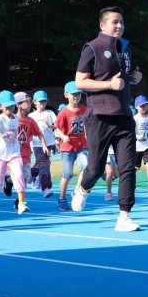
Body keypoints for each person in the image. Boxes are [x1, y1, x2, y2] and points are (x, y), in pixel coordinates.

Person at [71, 6, 143, 232]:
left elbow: (123, 78)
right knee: (95, 168)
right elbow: (81, 82)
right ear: (103, 25)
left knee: (128, 167)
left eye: (121, 21)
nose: (119, 25)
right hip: (99, 116)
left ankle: (124, 216)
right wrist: (108, 85)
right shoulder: (92, 47)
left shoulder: (126, 47)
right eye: (114, 22)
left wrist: (132, 79)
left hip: (124, 116)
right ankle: (83, 188)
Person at [54, 82, 88, 210]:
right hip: (67, 148)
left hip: (82, 146)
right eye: (73, 94)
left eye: (78, 94)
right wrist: (63, 137)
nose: (76, 96)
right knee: (68, 174)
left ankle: (77, 191)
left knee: (87, 168)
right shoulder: (63, 113)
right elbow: (57, 128)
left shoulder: (84, 110)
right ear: (66, 95)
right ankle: (62, 197)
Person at [29, 90, 57, 197]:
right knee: (42, 162)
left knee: (46, 163)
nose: (42, 104)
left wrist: (49, 126)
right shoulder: (31, 115)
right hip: (36, 143)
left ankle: (32, 176)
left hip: (49, 142)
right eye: (40, 102)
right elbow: (29, 129)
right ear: (35, 102)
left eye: (44, 101)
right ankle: (45, 187)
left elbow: (57, 126)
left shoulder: (50, 113)